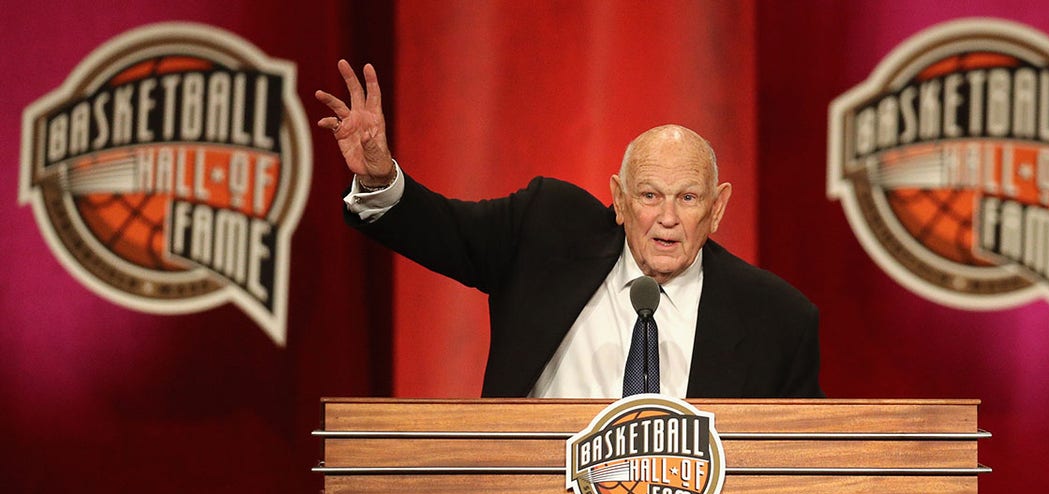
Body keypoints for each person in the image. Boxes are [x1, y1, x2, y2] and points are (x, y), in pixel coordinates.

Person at [316, 60, 822, 399]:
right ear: (620, 201)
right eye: (649, 196)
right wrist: (380, 176)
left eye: (687, 198)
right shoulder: (546, 231)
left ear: (717, 209)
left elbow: (804, 475)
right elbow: (444, 230)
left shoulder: (777, 321)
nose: (667, 217)